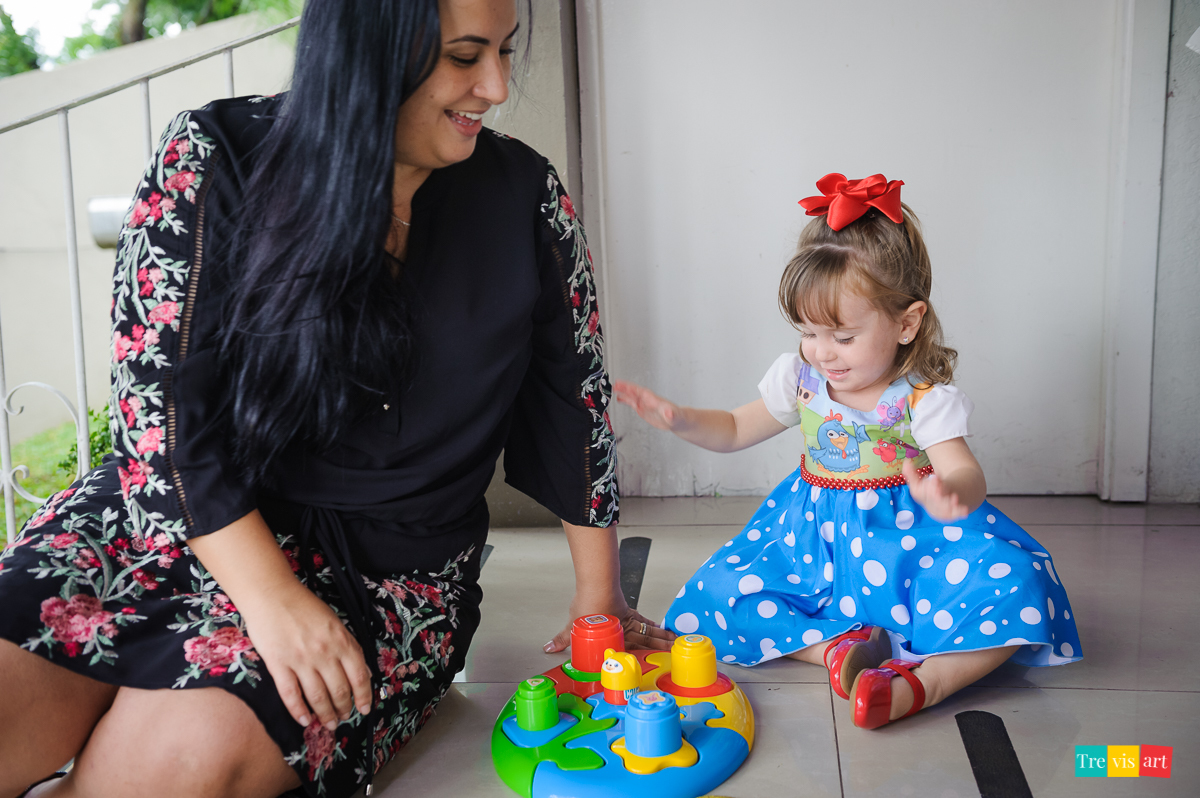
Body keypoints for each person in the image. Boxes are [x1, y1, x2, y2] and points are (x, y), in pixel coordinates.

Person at [0, 1, 672, 796]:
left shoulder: (523, 193)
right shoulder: (213, 158)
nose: (494, 86)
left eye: (504, 51)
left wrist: (601, 603)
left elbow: (574, 395)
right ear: (366, 51)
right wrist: (269, 598)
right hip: (173, 521)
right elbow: (160, 416)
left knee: (165, 766)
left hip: (386, 573)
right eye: (464, 56)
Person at [614, 173, 1081, 730]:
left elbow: (961, 469)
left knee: (1017, 585)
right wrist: (681, 420)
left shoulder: (924, 401)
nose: (822, 352)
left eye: (843, 336)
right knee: (712, 598)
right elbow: (737, 428)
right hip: (814, 544)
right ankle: (836, 649)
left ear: (908, 322)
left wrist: (953, 493)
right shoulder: (800, 379)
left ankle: (919, 685)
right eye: (808, 331)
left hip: (913, 546)